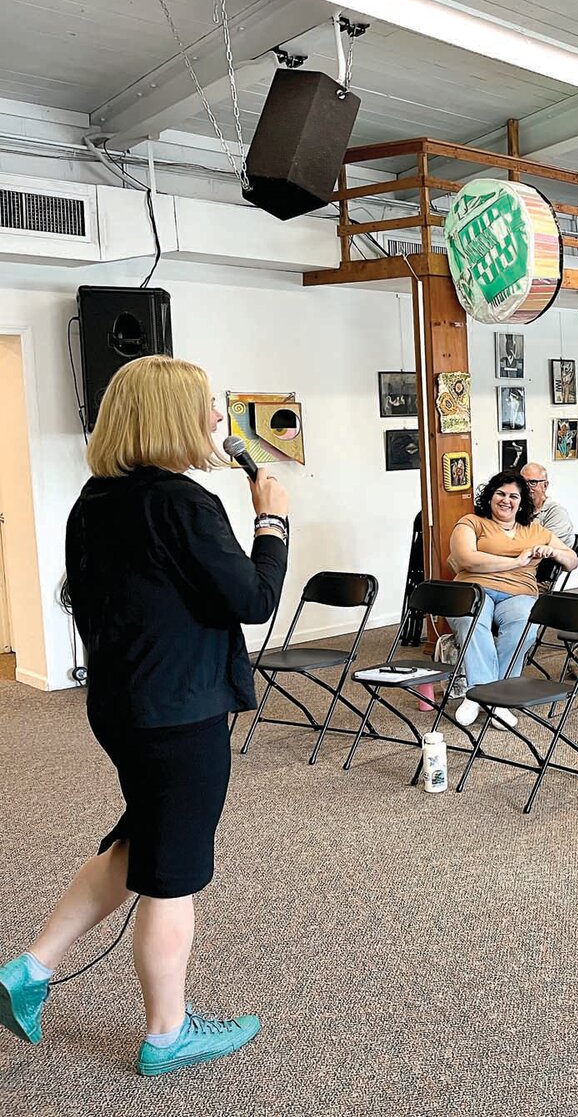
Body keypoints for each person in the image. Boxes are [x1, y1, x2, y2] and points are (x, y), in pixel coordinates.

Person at [0, 356, 288, 1075]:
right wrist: (273, 520)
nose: (219, 420)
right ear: (172, 417)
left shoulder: (92, 500)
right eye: (207, 407)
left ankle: (31, 970)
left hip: (123, 707)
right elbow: (253, 601)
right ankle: (167, 1033)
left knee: (142, 842)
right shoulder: (186, 504)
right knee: (173, 875)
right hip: (181, 715)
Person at [448, 470, 578, 726]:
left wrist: (553, 551)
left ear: (522, 502)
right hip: (474, 589)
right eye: (500, 494)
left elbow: (571, 561)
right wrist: (515, 561)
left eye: (513, 496)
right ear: (490, 497)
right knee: (471, 621)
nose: (506, 500)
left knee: (525, 624)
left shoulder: (535, 530)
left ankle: (499, 695)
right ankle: (480, 692)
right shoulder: (471, 522)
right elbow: (465, 559)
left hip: (519, 593)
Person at [520, 462, 575, 550]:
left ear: (545, 485)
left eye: (532, 482)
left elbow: (543, 547)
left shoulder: (557, 513)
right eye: (523, 482)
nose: (526, 487)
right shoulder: (518, 509)